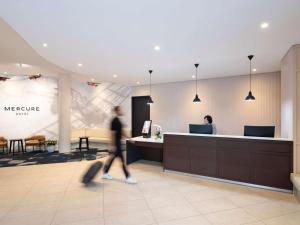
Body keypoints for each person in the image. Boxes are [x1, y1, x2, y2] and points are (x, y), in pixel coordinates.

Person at [102, 106, 137, 184]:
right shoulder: (114, 121)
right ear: (117, 111)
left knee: (112, 159)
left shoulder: (118, 120)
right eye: (121, 110)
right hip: (116, 144)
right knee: (122, 161)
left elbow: (122, 132)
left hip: (118, 143)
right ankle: (128, 177)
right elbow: (112, 134)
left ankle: (105, 172)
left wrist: (129, 138)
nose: (122, 111)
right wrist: (113, 145)